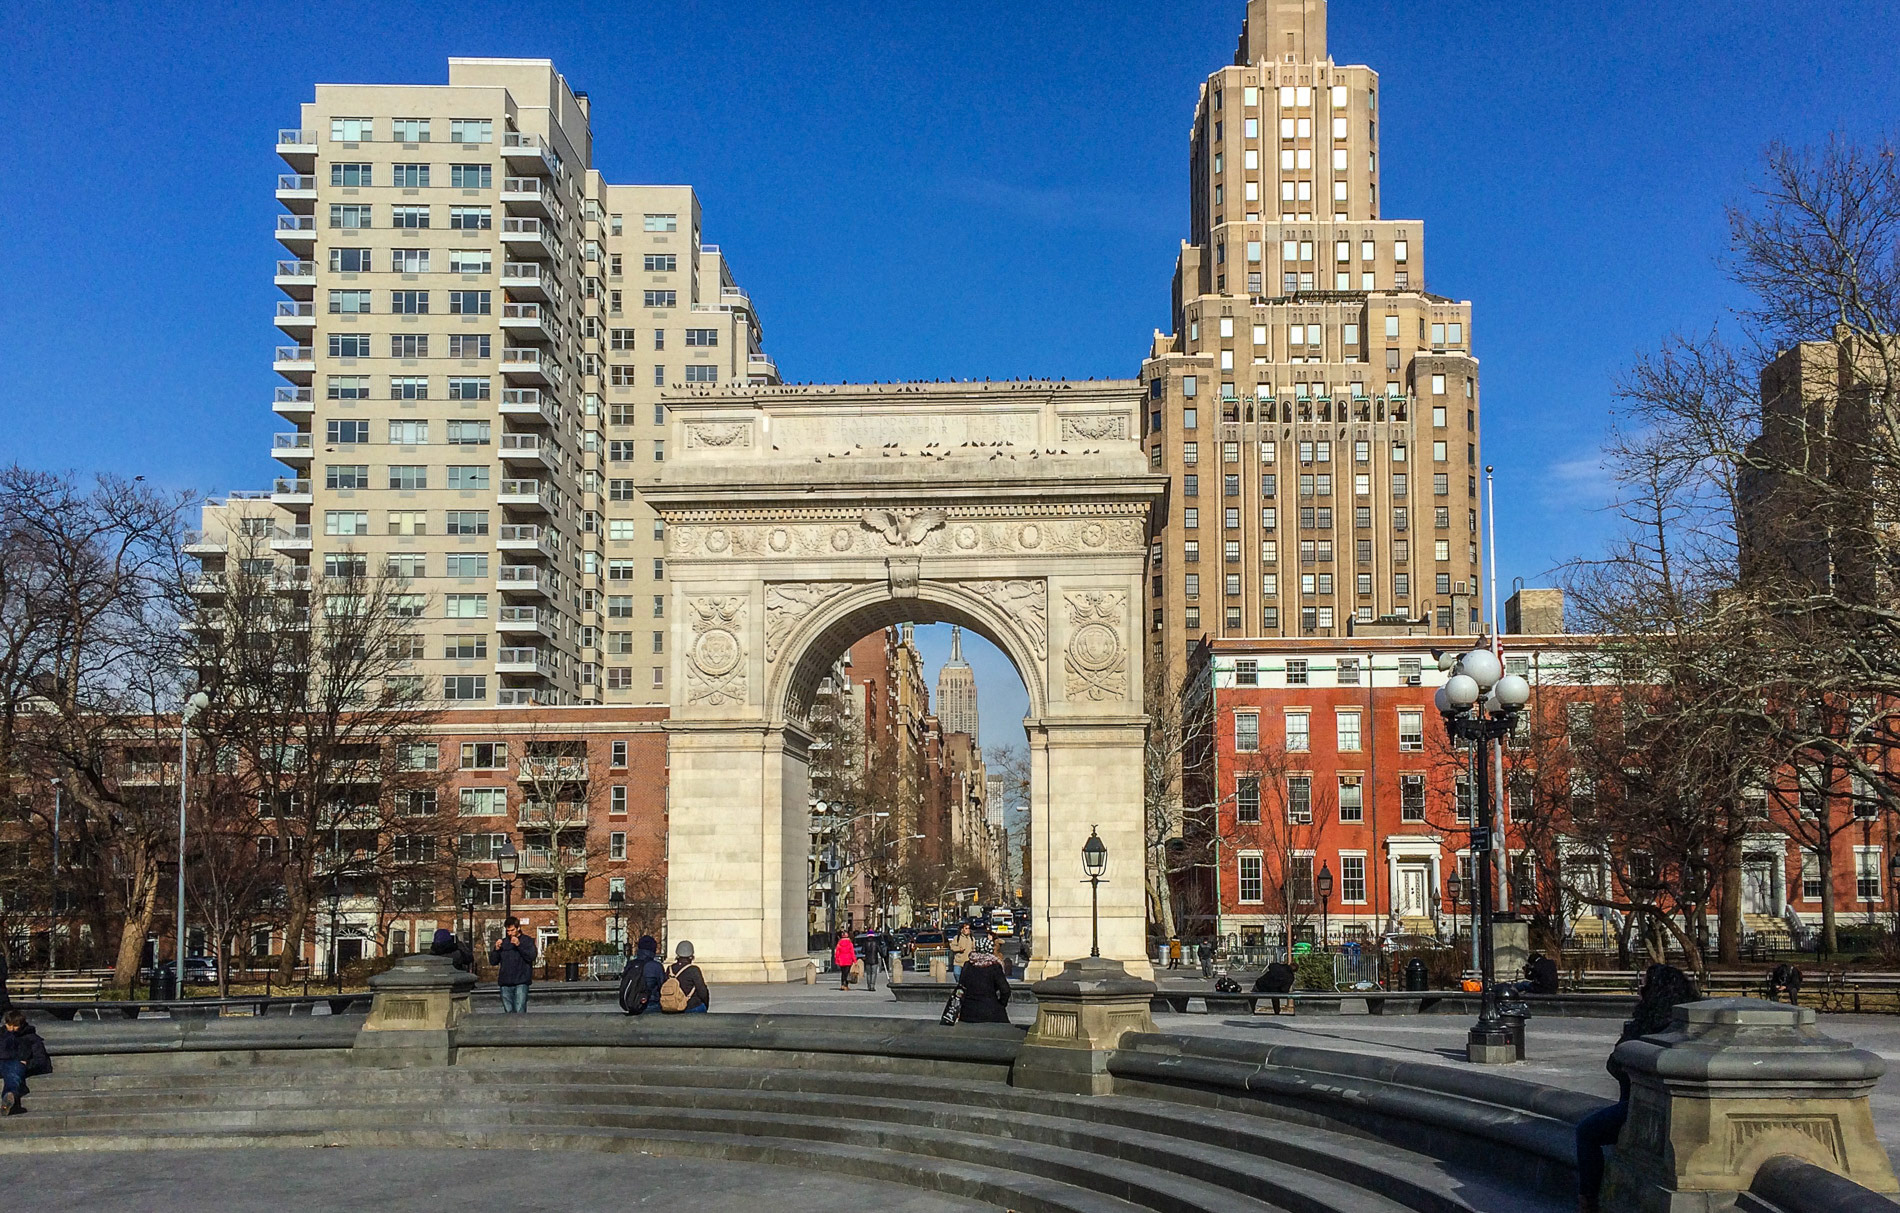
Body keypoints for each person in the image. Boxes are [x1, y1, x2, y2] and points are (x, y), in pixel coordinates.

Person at [1575, 963, 1699, 1213]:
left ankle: (1588, 1202)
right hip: (1680, 1111)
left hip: (1640, 1108)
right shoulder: (1686, 1023)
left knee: (1586, 1132)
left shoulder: (1645, 1026)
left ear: (1653, 992)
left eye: (1643, 985)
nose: (1639, 990)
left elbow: (1615, 1065)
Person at [0, 1009, 51, 1116]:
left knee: (12, 1072)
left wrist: (27, 1064)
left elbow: (41, 1060)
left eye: (15, 1026)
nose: (12, 1029)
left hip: (17, 1065)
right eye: (9, 1025)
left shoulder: (31, 1038)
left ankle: (9, 1096)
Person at [490, 917, 537, 1013]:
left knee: (520, 1010)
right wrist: (496, 950)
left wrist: (519, 945)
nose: (510, 933)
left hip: (521, 981)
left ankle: (520, 1028)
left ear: (518, 928)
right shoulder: (504, 942)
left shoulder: (527, 941)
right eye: (508, 931)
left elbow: (531, 956)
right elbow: (493, 962)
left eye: (512, 930)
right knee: (508, 1012)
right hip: (505, 982)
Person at [954, 947, 1012, 1024]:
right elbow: (1005, 990)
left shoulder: (968, 965)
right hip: (991, 1011)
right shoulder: (994, 967)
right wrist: (1001, 1004)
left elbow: (961, 988)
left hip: (968, 1012)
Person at [620, 935, 666, 1015]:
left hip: (632, 1003)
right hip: (651, 1004)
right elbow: (663, 986)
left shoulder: (630, 964)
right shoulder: (656, 966)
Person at [665, 940, 710, 1013]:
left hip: (673, 1005)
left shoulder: (670, 969)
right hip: (692, 1006)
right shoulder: (694, 970)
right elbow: (702, 991)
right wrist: (705, 1004)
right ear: (691, 956)